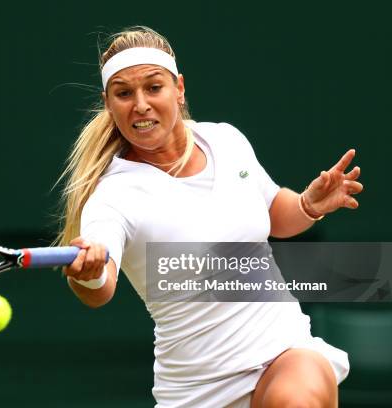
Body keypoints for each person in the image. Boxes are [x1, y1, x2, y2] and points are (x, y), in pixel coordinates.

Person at [56, 26, 363, 408]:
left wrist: (307, 205)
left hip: (283, 351)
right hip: (196, 392)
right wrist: (89, 274)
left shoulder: (226, 140)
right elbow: (100, 286)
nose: (140, 104)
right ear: (109, 103)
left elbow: (275, 215)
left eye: (154, 88)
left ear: (179, 89)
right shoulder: (112, 197)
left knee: (297, 397)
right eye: (124, 93)